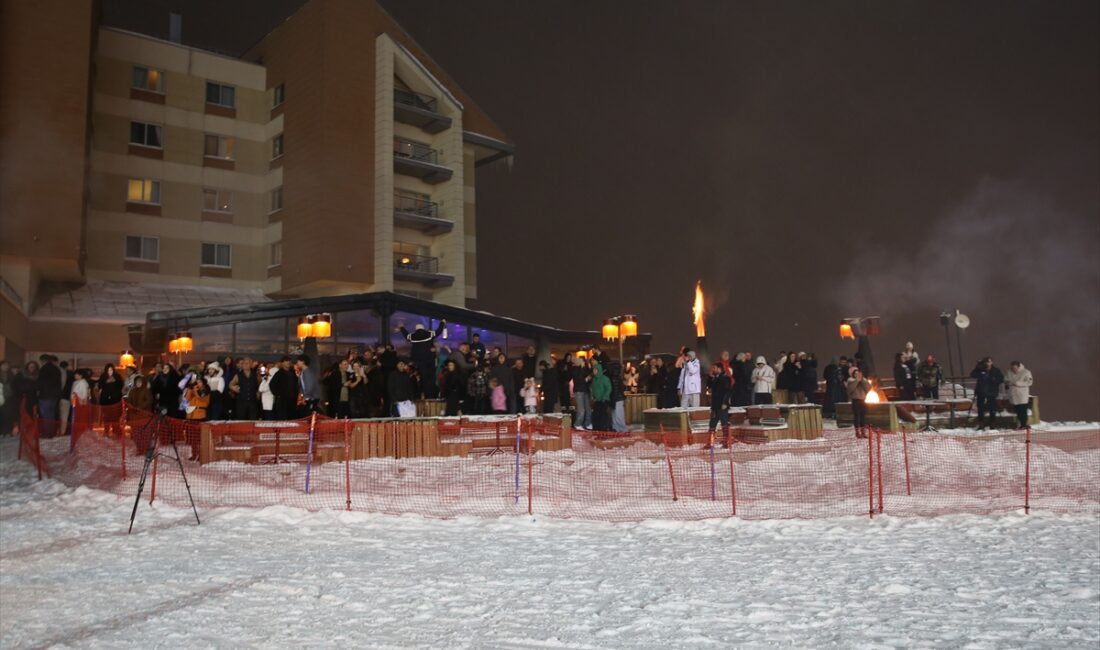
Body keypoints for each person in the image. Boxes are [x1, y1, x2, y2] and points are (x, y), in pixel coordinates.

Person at [398, 321, 445, 399]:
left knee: (423, 379)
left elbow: (406, 335)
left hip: (419, 361)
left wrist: (402, 328)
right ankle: (431, 397)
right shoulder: (429, 334)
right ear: (423, 328)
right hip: (430, 360)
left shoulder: (412, 336)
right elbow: (439, 331)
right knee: (431, 380)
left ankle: (423, 396)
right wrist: (442, 323)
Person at [970, 357, 1005, 429]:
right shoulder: (980, 369)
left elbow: (1001, 379)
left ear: (992, 362)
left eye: (989, 362)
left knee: (992, 408)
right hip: (981, 392)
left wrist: (994, 380)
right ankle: (981, 424)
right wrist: (977, 367)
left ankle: (992, 423)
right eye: (986, 362)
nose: (987, 363)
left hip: (992, 392)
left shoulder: (996, 370)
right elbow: (973, 375)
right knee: (980, 409)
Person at [184, 377, 210, 460]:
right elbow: (187, 398)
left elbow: (200, 397)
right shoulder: (194, 389)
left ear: (203, 383)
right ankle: (194, 454)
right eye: (197, 382)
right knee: (192, 437)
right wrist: (190, 388)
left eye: (199, 382)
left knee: (199, 437)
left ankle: (201, 454)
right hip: (191, 415)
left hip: (200, 415)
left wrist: (195, 390)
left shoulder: (206, 390)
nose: (198, 383)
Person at [36, 354, 62, 437]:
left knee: (45, 415)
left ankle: (46, 433)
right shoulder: (56, 369)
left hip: (45, 395)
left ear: (43, 360)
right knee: (51, 415)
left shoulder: (43, 369)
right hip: (54, 396)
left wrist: (37, 390)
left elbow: (40, 383)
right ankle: (51, 432)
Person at [97, 363, 124, 438]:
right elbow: (100, 385)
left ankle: (117, 431)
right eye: (108, 370)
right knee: (106, 417)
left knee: (115, 417)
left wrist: (114, 381)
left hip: (115, 399)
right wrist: (106, 382)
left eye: (111, 370)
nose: (110, 371)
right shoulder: (103, 376)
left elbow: (121, 385)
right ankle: (106, 430)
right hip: (105, 400)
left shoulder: (117, 376)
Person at [1004, 361, 1033, 429]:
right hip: (1013, 394)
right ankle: (1020, 424)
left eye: (1015, 368)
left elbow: (1029, 382)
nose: (1013, 369)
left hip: (1022, 395)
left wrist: (1018, 383)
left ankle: (1024, 424)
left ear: (1019, 366)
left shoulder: (1026, 372)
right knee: (1017, 411)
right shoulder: (1009, 372)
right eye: (1012, 368)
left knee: (1023, 410)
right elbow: (1005, 379)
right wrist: (1007, 382)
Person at [707, 362, 732, 435]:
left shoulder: (726, 378)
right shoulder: (715, 379)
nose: (713, 370)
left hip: (722, 405)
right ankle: (710, 441)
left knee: (724, 423)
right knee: (712, 423)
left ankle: (726, 441)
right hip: (715, 405)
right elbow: (710, 387)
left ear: (719, 368)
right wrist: (710, 377)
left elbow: (728, 391)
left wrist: (725, 402)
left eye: (714, 368)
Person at [589, 362, 612, 431]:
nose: (594, 371)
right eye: (593, 370)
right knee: (596, 416)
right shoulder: (594, 380)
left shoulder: (604, 378)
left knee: (603, 416)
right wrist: (592, 397)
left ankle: (603, 430)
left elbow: (608, 388)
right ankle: (596, 429)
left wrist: (604, 397)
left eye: (595, 370)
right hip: (597, 401)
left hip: (604, 401)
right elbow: (592, 389)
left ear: (599, 370)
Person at [607, 360, 628, 432]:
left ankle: (621, 429)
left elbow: (615, 391)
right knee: (618, 415)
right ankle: (619, 429)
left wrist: (612, 400)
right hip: (618, 399)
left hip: (616, 399)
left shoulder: (613, 378)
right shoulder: (618, 377)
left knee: (617, 416)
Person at [571, 356, 592, 430]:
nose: (581, 362)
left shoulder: (585, 368)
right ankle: (577, 423)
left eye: (583, 361)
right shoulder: (575, 368)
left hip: (586, 390)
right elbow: (578, 379)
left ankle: (588, 423)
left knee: (588, 408)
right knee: (581, 409)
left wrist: (588, 369)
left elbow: (590, 376)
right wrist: (585, 379)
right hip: (579, 390)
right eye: (580, 360)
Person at [70, 368, 91, 439]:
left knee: (80, 418)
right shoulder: (76, 382)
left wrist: (82, 401)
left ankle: (81, 432)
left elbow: (84, 394)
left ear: (81, 375)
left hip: (80, 404)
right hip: (76, 404)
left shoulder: (82, 383)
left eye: (76, 374)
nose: (74, 376)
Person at [58, 360, 73, 437]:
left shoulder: (57, 374)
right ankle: (63, 432)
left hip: (58, 397)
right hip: (66, 397)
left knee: (59, 415)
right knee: (65, 415)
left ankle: (59, 431)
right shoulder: (70, 375)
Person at [0, 361, 14, 436]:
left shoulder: (11, 375)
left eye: (7, 365)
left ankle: (7, 431)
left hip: (9, 397)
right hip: (0, 397)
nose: (6, 367)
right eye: (4, 365)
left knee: (8, 415)